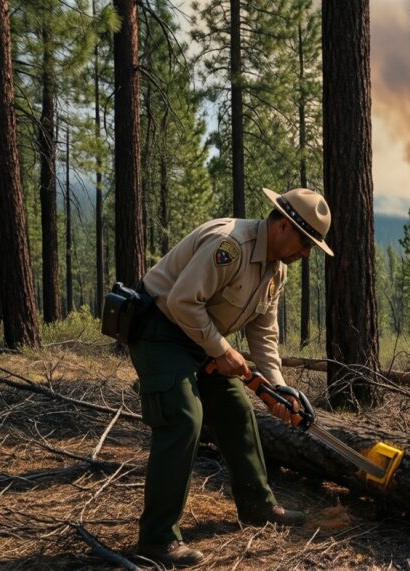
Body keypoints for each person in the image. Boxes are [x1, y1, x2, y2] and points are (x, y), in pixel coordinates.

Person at [129, 187, 334, 568]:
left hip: (202, 340)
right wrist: (222, 351)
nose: (306, 254)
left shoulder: (277, 268)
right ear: (284, 226)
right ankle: (157, 539)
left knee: (237, 412)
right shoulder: (231, 246)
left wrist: (276, 389)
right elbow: (181, 302)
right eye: (306, 243)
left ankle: (258, 506)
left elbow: (263, 333)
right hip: (160, 331)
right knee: (184, 418)